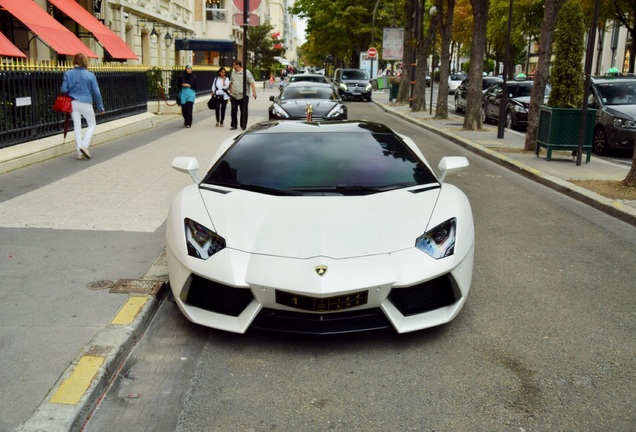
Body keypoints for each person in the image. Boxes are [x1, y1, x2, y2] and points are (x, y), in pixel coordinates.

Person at [60, 52, 105, 160]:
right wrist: (100, 107)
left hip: (73, 103)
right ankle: (84, 145)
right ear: (85, 62)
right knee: (92, 124)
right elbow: (97, 93)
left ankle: (79, 152)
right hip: (86, 102)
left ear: (74, 61)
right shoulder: (90, 75)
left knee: (77, 126)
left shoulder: (68, 73)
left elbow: (63, 90)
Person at [228, 60, 257, 130]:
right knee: (233, 110)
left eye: (234, 65)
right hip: (234, 95)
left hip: (243, 95)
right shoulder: (233, 73)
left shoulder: (246, 72)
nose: (233, 66)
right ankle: (234, 125)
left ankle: (243, 125)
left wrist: (254, 92)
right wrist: (230, 91)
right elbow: (231, 82)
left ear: (238, 65)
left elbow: (251, 82)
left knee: (243, 111)